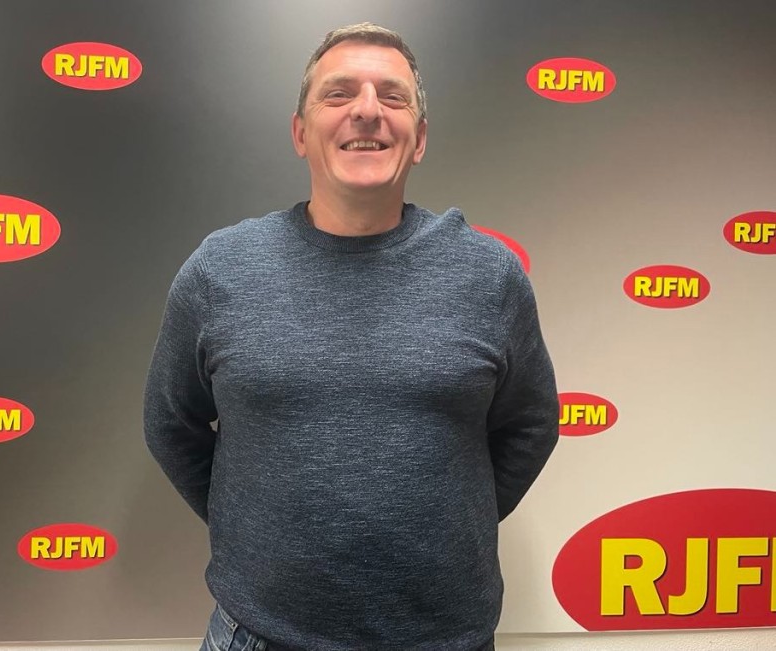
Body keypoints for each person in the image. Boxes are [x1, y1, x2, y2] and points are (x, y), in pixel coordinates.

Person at [144, 22, 558, 651]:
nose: (367, 110)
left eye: (392, 97)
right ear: (299, 132)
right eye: (339, 94)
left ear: (419, 139)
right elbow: (171, 424)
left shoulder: (488, 275)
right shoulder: (220, 270)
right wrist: (252, 527)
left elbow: (530, 425)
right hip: (258, 635)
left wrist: (450, 522)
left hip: (446, 639)